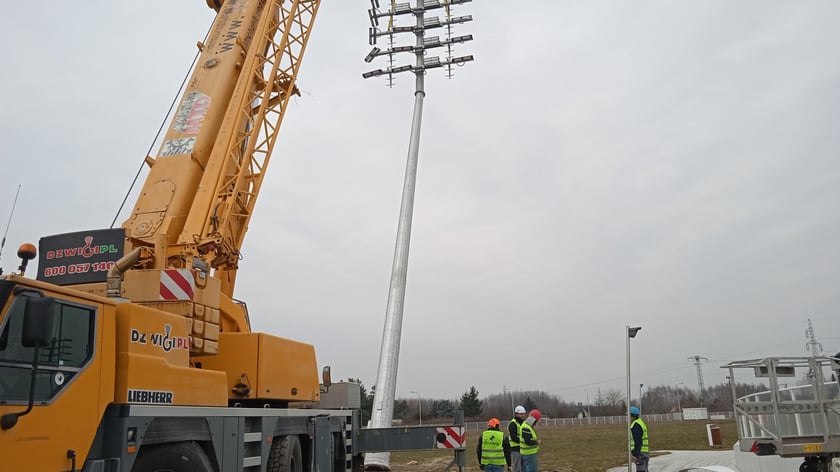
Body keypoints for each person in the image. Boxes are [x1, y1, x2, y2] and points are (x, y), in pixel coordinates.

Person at [507, 405, 528, 472]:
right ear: (516, 414)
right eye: (521, 414)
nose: (523, 415)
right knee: (517, 468)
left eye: (523, 414)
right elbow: (513, 437)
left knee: (524, 467)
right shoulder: (513, 423)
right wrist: (523, 441)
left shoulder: (523, 423)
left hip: (523, 448)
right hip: (515, 449)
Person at [630, 406, 649, 472]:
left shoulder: (636, 425)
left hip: (640, 453)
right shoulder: (640, 422)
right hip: (643, 452)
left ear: (632, 415)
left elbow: (638, 440)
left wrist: (635, 453)